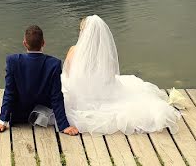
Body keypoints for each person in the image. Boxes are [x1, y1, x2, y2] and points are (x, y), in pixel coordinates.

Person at [46, 15, 180, 135]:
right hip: (103, 93)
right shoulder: (106, 56)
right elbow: (109, 78)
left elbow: (68, 74)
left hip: (79, 95)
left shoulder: (73, 50)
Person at [0, 25, 79, 136]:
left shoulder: (13, 61)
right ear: (43, 43)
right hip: (44, 117)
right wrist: (64, 126)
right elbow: (56, 96)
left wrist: (2, 121)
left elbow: (9, 92)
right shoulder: (54, 64)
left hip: (20, 117)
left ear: (24, 43)